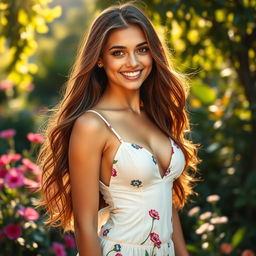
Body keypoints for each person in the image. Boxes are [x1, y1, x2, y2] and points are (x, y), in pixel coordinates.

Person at [37, 2, 201, 256]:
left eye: (142, 49)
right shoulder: (92, 125)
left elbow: (167, 205)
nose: (133, 62)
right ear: (100, 59)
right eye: (118, 52)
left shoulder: (157, 115)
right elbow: (85, 224)